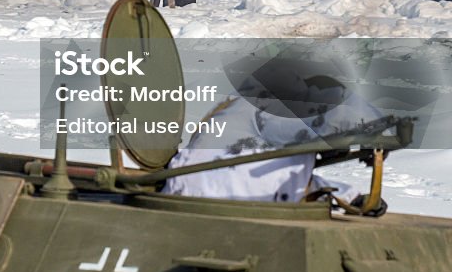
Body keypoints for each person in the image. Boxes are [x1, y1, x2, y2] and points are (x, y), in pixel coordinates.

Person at [161, 74, 386, 215]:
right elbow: (334, 123)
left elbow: (284, 178)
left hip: (194, 195)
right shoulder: (266, 109)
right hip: (212, 204)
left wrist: (351, 196)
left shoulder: (247, 117)